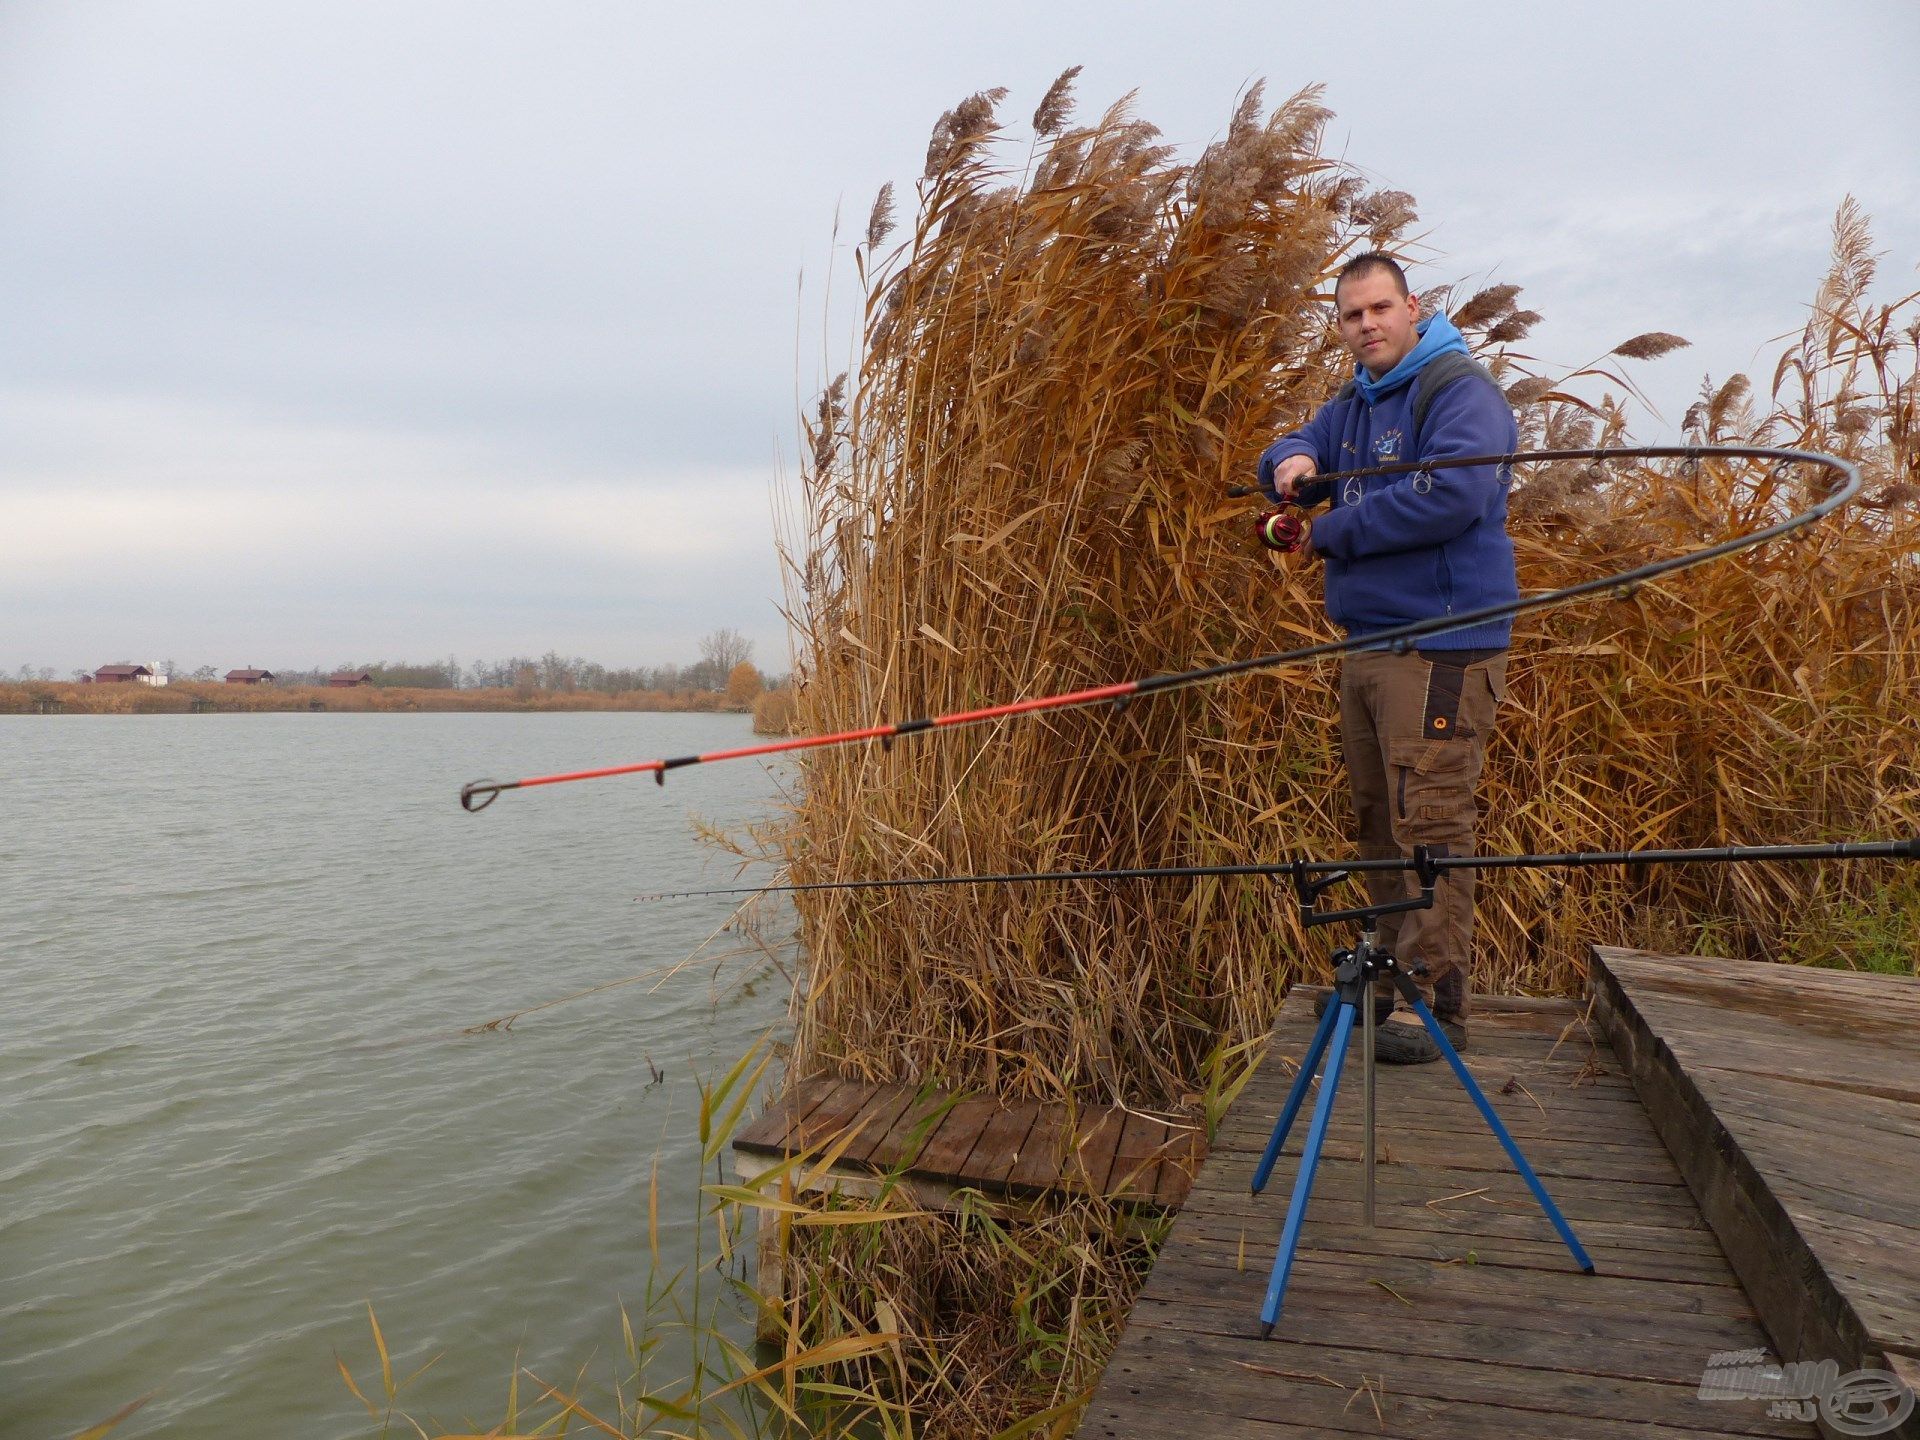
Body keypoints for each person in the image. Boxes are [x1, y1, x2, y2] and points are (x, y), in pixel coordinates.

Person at [1255, 252, 1518, 1064]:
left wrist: (1326, 531)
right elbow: (1297, 444)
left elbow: (1453, 495)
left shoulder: (1457, 391)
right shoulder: (1355, 404)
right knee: (1379, 820)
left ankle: (1435, 1004)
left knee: (1430, 819)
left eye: (1378, 309)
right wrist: (1290, 463)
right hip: (1367, 647)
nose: (1365, 325)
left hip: (1440, 646)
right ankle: (1390, 975)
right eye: (1349, 315)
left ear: (1411, 308)